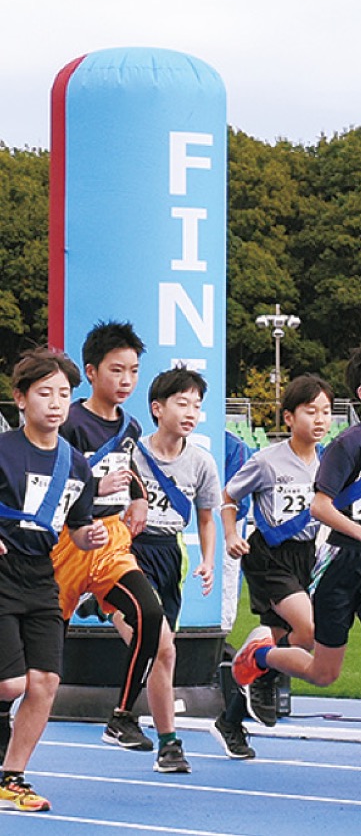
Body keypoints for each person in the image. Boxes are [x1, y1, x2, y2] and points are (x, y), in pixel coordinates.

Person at [232, 335, 361, 798]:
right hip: (340, 566)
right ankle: (260, 656)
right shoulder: (349, 444)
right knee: (325, 673)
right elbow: (321, 507)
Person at [0, 348, 108, 812]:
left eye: (64, 393)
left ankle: (13, 776)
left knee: (44, 681)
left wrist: (92, 535)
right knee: (9, 686)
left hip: (42, 577)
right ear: (20, 399)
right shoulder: (3, 450)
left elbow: (78, 529)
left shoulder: (76, 464)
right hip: (1, 574)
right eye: (44, 393)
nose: (56, 402)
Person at [49, 321, 165, 754]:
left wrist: (139, 498)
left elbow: (127, 467)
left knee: (148, 615)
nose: (126, 381)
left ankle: (122, 716)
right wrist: (95, 490)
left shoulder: (130, 426)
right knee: (36, 663)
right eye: (117, 370)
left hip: (111, 540)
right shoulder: (70, 423)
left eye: (133, 371)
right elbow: (53, 479)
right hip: (66, 542)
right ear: (92, 371)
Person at [213, 375, 332, 758]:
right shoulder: (266, 461)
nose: (320, 419)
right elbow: (229, 496)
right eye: (310, 411)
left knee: (286, 639)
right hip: (268, 556)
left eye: (327, 412)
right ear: (288, 417)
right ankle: (260, 664)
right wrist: (232, 535)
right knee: (309, 630)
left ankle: (231, 719)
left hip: (305, 557)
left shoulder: (330, 462)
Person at [130, 367, 220, 774]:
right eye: (182, 403)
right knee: (163, 646)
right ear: (157, 407)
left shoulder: (200, 462)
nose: (191, 413)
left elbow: (205, 518)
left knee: (161, 654)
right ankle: (161, 737)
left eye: (197, 406)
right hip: (128, 554)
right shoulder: (130, 454)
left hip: (169, 556)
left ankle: (164, 744)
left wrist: (207, 560)